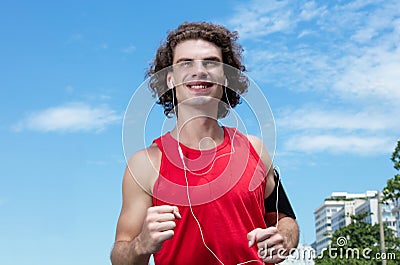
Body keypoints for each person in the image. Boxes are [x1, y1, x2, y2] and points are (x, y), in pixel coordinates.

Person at [111, 22, 299, 265]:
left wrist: (283, 238)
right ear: (170, 80)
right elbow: (119, 256)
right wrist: (141, 244)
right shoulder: (145, 165)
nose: (199, 71)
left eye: (210, 62)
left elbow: (286, 218)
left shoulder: (255, 149)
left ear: (226, 76)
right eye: (186, 63)